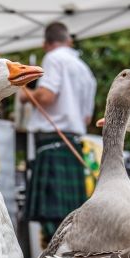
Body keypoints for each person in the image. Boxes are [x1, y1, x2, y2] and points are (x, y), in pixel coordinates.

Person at [20, 21, 96, 244]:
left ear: (46, 44)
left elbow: (47, 96)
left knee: (52, 216)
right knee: (70, 215)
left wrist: (24, 94)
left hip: (53, 140)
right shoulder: (84, 69)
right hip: (73, 141)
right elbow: (87, 118)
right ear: (69, 40)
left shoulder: (53, 58)